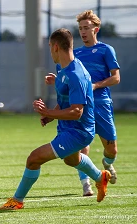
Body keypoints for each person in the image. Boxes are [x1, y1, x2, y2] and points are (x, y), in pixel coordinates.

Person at [0, 28, 111, 210]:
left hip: (79, 132)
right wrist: (51, 115)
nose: (50, 51)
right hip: (68, 127)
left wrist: (49, 112)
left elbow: (76, 112)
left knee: (34, 159)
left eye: (50, 46)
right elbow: (66, 99)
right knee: (71, 160)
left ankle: (17, 201)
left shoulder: (76, 75)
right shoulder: (64, 70)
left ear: (56, 47)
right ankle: (100, 177)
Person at [45, 10, 120, 196]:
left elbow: (116, 78)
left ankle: (108, 164)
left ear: (96, 29)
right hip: (81, 106)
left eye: (86, 27)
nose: (83, 31)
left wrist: (95, 85)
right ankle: (87, 184)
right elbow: (69, 81)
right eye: (80, 28)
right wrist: (57, 81)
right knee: (80, 146)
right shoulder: (73, 54)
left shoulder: (106, 50)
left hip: (101, 103)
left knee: (111, 149)